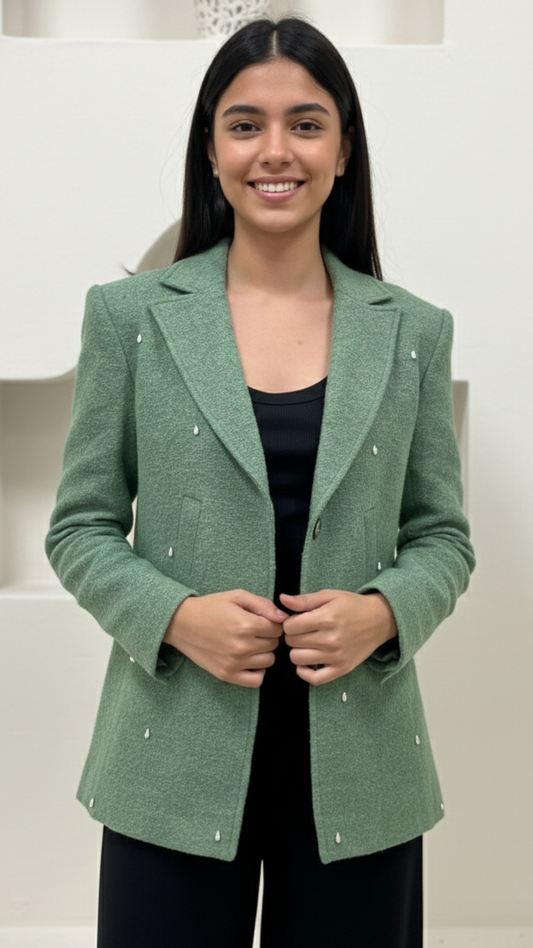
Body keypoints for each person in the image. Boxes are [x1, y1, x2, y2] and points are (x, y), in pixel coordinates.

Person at [46, 16, 475, 948]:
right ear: (210, 148)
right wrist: (173, 616)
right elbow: (78, 525)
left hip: (361, 767)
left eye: (305, 123)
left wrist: (383, 611)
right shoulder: (129, 319)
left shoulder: (411, 329)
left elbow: (442, 535)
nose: (274, 151)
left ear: (344, 148)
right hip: (172, 754)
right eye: (244, 124)